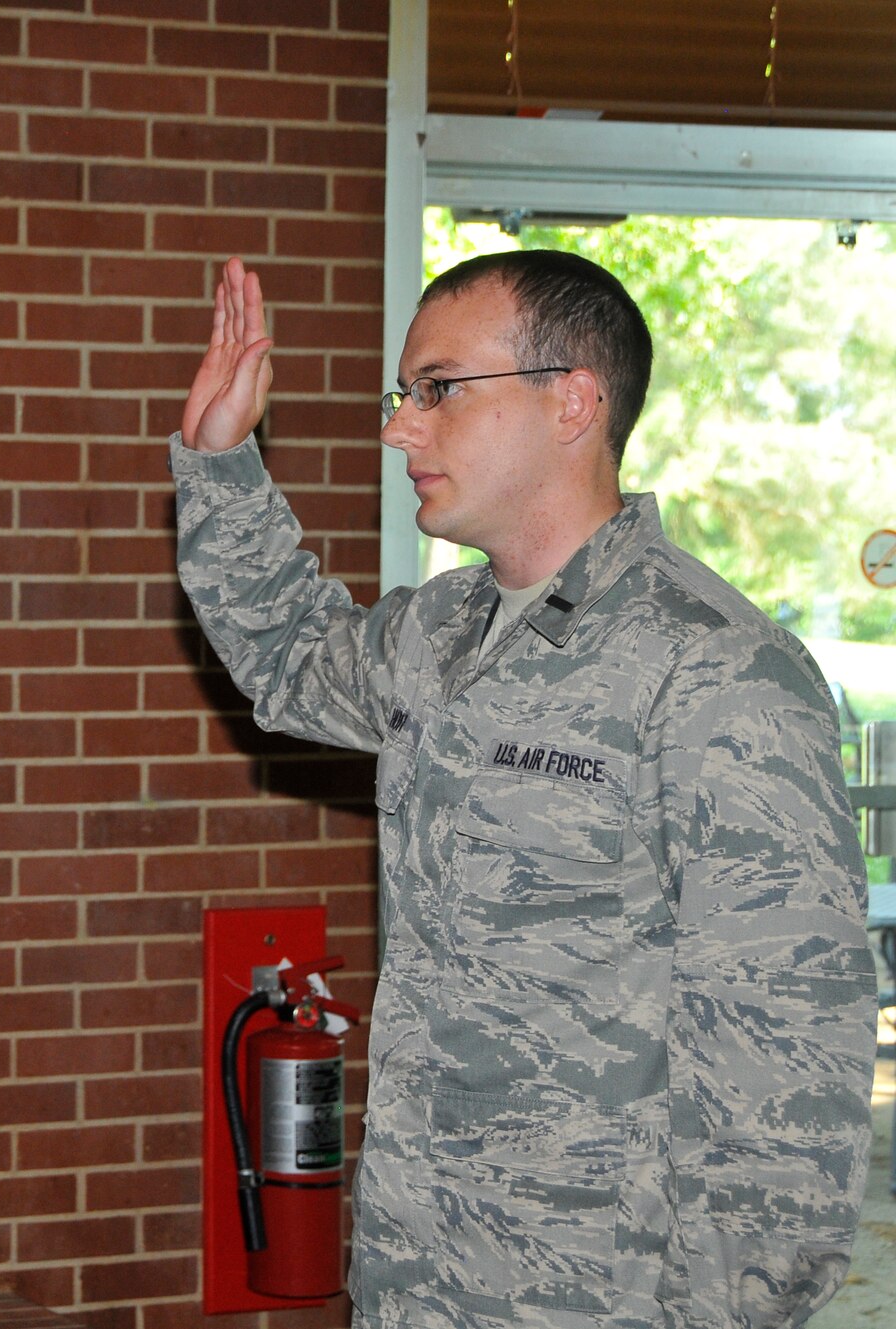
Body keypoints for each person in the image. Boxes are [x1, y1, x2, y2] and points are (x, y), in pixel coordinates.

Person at [174, 252, 877, 1327]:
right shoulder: (435, 635)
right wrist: (220, 460)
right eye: (401, 396)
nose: (400, 427)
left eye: (439, 389)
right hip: (419, 1272)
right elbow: (284, 655)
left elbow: (785, 1066)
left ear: (572, 402)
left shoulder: (715, 671)